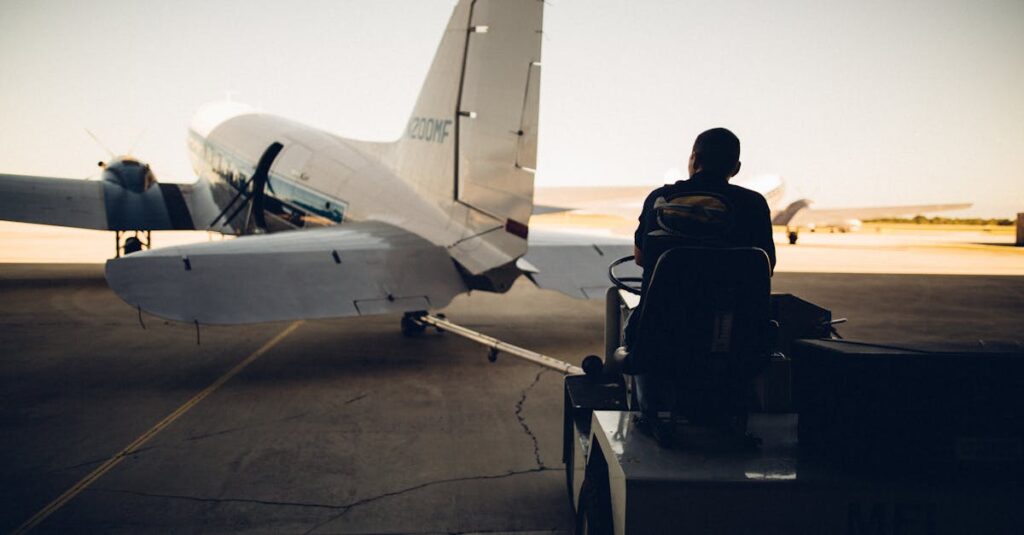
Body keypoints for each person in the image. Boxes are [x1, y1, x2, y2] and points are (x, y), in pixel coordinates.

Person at [625, 127, 776, 347]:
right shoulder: (753, 204)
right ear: (736, 168)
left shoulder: (659, 198)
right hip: (735, 341)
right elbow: (765, 266)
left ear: (694, 160)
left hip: (660, 339)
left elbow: (641, 258)